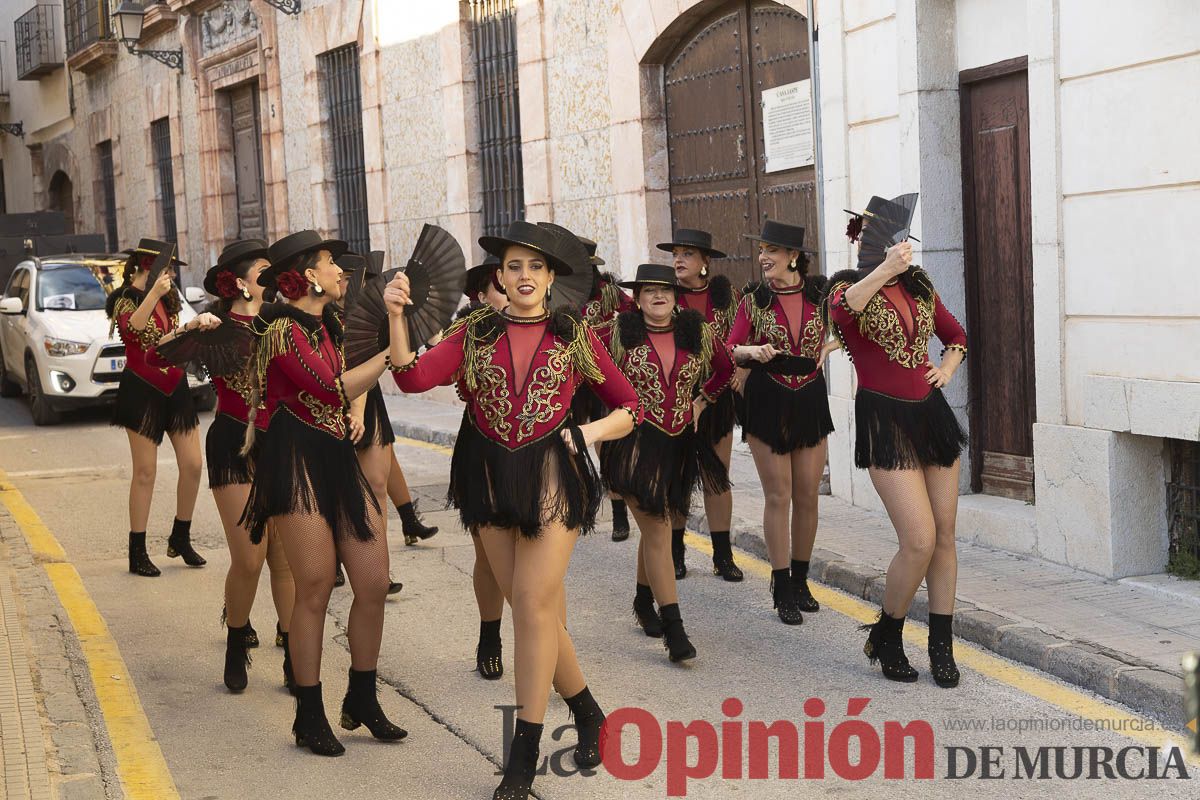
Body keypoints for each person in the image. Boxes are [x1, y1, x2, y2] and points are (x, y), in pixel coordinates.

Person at [385, 221, 639, 800]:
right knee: (534, 609)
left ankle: (522, 759)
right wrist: (397, 316)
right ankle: (590, 713)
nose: (524, 277)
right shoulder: (475, 331)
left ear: (551, 278)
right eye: (515, 267)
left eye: (536, 267)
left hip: (554, 471)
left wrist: (587, 433)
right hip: (489, 475)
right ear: (499, 276)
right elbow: (413, 375)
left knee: (530, 603)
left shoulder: (574, 334)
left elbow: (630, 406)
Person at [241, 231, 404, 756]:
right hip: (296, 460)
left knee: (374, 581)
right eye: (333, 263)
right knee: (313, 585)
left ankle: (361, 698)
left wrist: (357, 413)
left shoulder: (329, 322)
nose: (341, 273)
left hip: (337, 453)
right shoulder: (283, 328)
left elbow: (348, 391)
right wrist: (386, 358)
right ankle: (309, 714)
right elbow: (327, 386)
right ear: (309, 274)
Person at [827, 194, 967, 688]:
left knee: (945, 537)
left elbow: (956, 335)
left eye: (899, 235)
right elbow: (847, 314)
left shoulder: (921, 287)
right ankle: (887, 633)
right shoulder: (846, 288)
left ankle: (942, 645)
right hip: (884, 420)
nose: (897, 244)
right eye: (883, 235)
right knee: (919, 539)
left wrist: (946, 368)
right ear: (865, 239)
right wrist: (884, 270)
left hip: (930, 415)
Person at [152, 239, 296, 692]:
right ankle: (237, 640)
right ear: (238, 282)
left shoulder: (282, 323)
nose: (271, 281)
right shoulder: (216, 325)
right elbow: (158, 354)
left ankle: (296, 656)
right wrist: (190, 327)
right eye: (263, 272)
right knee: (250, 557)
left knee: (285, 560)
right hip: (233, 440)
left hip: (283, 443)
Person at [600, 263, 734, 662]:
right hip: (634, 444)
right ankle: (674, 630)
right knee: (658, 529)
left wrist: (702, 400)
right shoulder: (617, 334)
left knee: (658, 528)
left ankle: (643, 601)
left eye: (665, 290)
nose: (658, 296)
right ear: (637, 298)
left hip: (679, 444)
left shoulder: (697, 331)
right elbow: (591, 375)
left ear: (676, 296)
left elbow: (725, 368)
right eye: (649, 290)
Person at [727, 221, 835, 626]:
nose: (763, 256)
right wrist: (751, 350)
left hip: (809, 396)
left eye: (772, 249)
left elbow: (859, 319)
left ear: (794, 256)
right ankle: (782, 585)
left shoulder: (821, 294)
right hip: (768, 398)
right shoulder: (753, 299)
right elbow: (729, 348)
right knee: (779, 495)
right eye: (761, 249)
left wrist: (835, 341)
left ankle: (802, 579)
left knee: (807, 494)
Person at [106, 239, 206, 577]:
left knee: (193, 464)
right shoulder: (124, 300)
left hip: (174, 385)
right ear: (146, 266)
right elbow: (134, 330)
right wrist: (152, 294)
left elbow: (165, 341)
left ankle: (180, 536)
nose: (170, 273)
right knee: (145, 472)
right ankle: (137, 550)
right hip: (142, 389)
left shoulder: (168, 298)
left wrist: (190, 329)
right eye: (165, 267)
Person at [658, 228, 743, 580]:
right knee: (678, 477)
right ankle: (676, 552)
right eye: (676, 253)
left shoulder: (726, 297)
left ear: (705, 262)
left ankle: (722, 556)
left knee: (716, 477)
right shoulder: (665, 297)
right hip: (676, 397)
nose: (679, 260)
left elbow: (743, 338)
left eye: (687, 254)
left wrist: (740, 371)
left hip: (717, 395)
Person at [575, 237, 638, 541]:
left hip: (603, 379)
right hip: (571, 380)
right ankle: (578, 504)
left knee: (605, 446)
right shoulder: (560, 293)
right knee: (569, 446)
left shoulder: (610, 295)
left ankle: (618, 513)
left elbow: (635, 314)